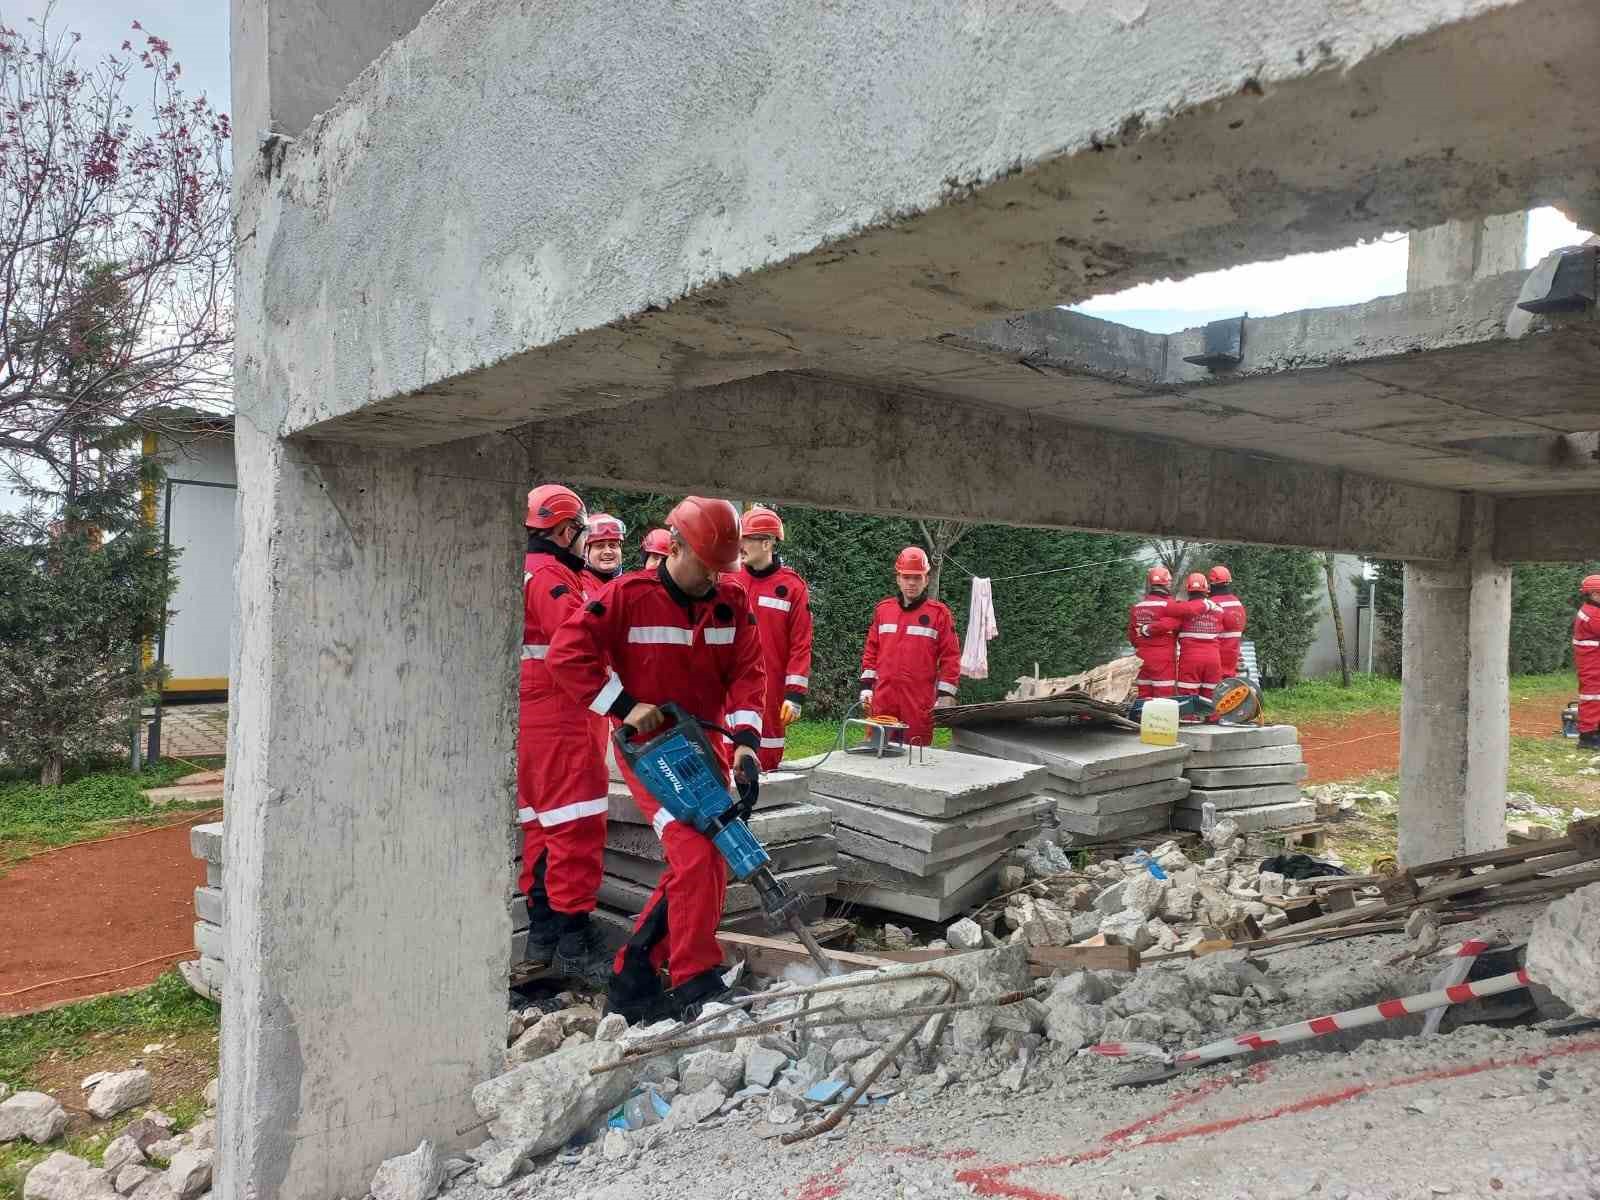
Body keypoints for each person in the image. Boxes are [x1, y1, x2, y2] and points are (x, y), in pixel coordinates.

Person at [546, 495, 766, 1022]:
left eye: (721, 569)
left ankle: (633, 977)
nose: (713, 578)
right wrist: (624, 706)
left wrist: (745, 741)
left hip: (703, 749)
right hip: (651, 754)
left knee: (710, 856)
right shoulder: (628, 596)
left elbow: (748, 673)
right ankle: (693, 980)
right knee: (698, 855)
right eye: (706, 565)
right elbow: (565, 655)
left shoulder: (732, 599)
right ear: (677, 547)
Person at [516, 484, 612, 984]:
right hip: (563, 718)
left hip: (536, 718)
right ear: (564, 529)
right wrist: (623, 702)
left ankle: (543, 937)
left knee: (542, 827)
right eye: (580, 531)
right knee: (576, 825)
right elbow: (576, 645)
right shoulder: (550, 576)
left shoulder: (525, 568)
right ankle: (574, 944)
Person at [858, 546, 960, 745]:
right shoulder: (883, 611)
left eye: (917, 577)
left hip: (917, 703)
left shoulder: (939, 615)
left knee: (915, 757)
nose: (911, 583)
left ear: (926, 579)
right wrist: (866, 687)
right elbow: (872, 650)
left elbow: (951, 657)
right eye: (906, 577)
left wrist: (946, 694)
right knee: (877, 752)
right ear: (898, 579)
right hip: (883, 700)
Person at [738, 505, 814, 770]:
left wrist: (794, 696)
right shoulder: (730, 579)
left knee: (765, 756)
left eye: (747, 538)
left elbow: (800, 645)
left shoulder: (792, 588)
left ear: (767, 543)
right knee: (724, 753)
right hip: (731, 686)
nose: (740, 545)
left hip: (771, 691)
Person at [1129, 565, 1210, 700]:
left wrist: (1143, 640)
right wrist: (1206, 604)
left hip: (1141, 658)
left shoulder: (1137, 607)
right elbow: (1188, 611)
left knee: (1143, 696)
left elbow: (1132, 636)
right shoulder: (1169, 605)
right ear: (1167, 583)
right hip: (1163, 659)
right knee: (1163, 698)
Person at [1176, 571, 1227, 712]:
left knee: (1188, 692)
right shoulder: (1218, 609)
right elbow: (1221, 628)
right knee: (1212, 691)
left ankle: (1190, 718)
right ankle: (1212, 717)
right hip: (1213, 657)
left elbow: (1175, 629)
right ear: (1206, 589)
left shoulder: (1183, 610)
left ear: (1188, 590)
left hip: (1190, 657)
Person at [1574, 574, 1600, 749]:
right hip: (1591, 661)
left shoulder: (1593, 609)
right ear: (1594, 594)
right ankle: (1587, 737)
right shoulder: (1592, 613)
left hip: (1594, 659)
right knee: (1592, 696)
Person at [1209, 564, 1248, 678]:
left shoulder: (1211, 604)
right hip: (1232, 661)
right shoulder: (1238, 603)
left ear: (1212, 583)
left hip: (1215, 661)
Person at [584, 513, 626, 585]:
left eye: (613, 545)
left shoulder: (630, 586)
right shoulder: (577, 587)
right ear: (585, 551)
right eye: (600, 546)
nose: (608, 551)